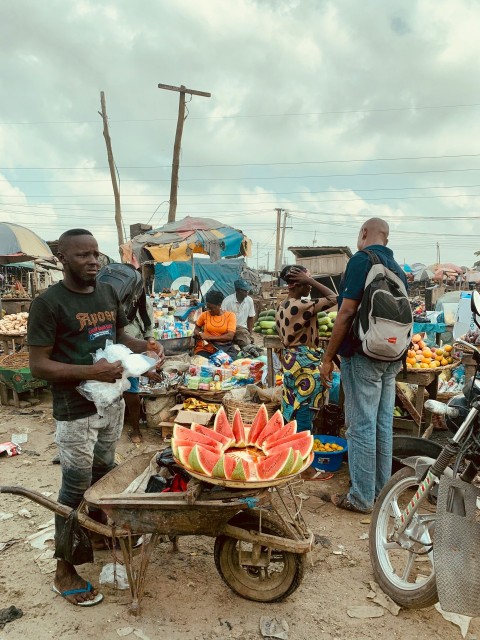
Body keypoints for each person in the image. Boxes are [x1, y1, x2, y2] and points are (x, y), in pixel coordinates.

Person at [27, 229, 165, 607]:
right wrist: (91, 373)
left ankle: (102, 530)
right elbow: (38, 366)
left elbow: (118, 334)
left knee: (106, 471)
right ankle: (65, 568)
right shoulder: (48, 303)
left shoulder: (106, 293)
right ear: (62, 258)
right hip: (75, 409)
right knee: (74, 486)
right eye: (82, 255)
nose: (92, 261)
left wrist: (145, 352)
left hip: (111, 401)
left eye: (96, 254)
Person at [320, 218, 407, 514]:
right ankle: (382, 494)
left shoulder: (362, 260)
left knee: (360, 427)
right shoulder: (397, 268)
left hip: (362, 355)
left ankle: (360, 498)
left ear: (364, 234)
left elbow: (345, 313)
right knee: (382, 426)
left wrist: (328, 357)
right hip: (392, 357)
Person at [276, 266, 337, 433]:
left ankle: (291, 445)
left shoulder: (281, 306)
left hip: (291, 362)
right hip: (304, 366)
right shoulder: (300, 305)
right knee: (304, 408)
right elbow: (334, 298)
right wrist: (310, 280)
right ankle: (302, 451)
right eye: (306, 282)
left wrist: (308, 279)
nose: (310, 286)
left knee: (292, 406)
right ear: (294, 285)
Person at [122, 289, 163, 444]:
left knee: (131, 392)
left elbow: (148, 328)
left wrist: (151, 348)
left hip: (137, 346)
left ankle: (136, 429)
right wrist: (146, 371)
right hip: (119, 347)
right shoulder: (117, 301)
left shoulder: (145, 303)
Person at [193, 289, 237, 360]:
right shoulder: (204, 315)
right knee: (202, 364)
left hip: (224, 348)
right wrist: (198, 334)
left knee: (228, 365)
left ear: (219, 305)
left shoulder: (230, 316)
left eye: (211, 308)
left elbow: (230, 336)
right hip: (206, 348)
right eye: (207, 307)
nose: (209, 310)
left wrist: (209, 337)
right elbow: (196, 328)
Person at [221, 279, 256, 348]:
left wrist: (250, 333)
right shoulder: (227, 301)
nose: (246, 292)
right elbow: (222, 317)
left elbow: (250, 317)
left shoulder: (249, 300)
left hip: (242, 328)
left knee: (245, 341)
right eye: (244, 290)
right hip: (228, 328)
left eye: (247, 290)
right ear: (238, 291)